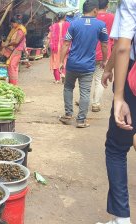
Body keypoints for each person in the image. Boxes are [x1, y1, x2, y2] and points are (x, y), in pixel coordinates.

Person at [97, 0, 136, 223]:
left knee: (116, 147)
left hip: (132, 80)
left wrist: (119, 97)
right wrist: (109, 67)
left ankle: (121, 218)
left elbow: (124, 45)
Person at [58, 0, 108, 128]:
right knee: (85, 92)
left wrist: (60, 61)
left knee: (68, 88)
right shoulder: (101, 25)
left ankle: (68, 115)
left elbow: (66, 44)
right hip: (88, 66)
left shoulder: (73, 24)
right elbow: (104, 45)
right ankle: (81, 120)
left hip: (72, 64)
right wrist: (104, 60)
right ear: (95, 10)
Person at [91, 0, 115, 112]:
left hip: (89, 51)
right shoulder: (112, 17)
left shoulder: (92, 17)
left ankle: (84, 100)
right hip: (105, 53)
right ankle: (95, 103)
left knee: (86, 79)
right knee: (99, 79)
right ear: (107, 5)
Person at [1, 15, 27, 85]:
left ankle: (13, 84)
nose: (12, 25)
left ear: (16, 22)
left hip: (17, 50)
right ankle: (13, 83)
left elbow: (16, 41)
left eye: (12, 24)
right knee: (13, 66)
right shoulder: (16, 29)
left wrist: (7, 44)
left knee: (12, 66)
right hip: (16, 50)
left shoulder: (20, 30)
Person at [47, 12, 70, 84]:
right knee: (64, 61)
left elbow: (49, 37)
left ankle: (57, 79)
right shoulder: (68, 25)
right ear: (64, 17)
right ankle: (63, 73)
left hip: (55, 47)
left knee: (55, 62)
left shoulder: (53, 26)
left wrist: (45, 47)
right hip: (65, 46)